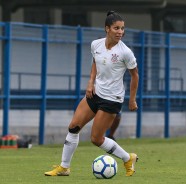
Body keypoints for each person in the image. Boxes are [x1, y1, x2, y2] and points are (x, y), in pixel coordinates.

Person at [45, 10, 139, 177]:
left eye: (122, 28)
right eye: (116, 28)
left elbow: (135, 75)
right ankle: (64, 167)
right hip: (95, 93)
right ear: (107, 29)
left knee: (96, 139)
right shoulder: (96, 44)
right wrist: (90, 83)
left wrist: (132, 100)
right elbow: (96, 62)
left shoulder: (125, 52)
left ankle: (127, 158)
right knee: (73, 127)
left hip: (112, 99)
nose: (120, 32)